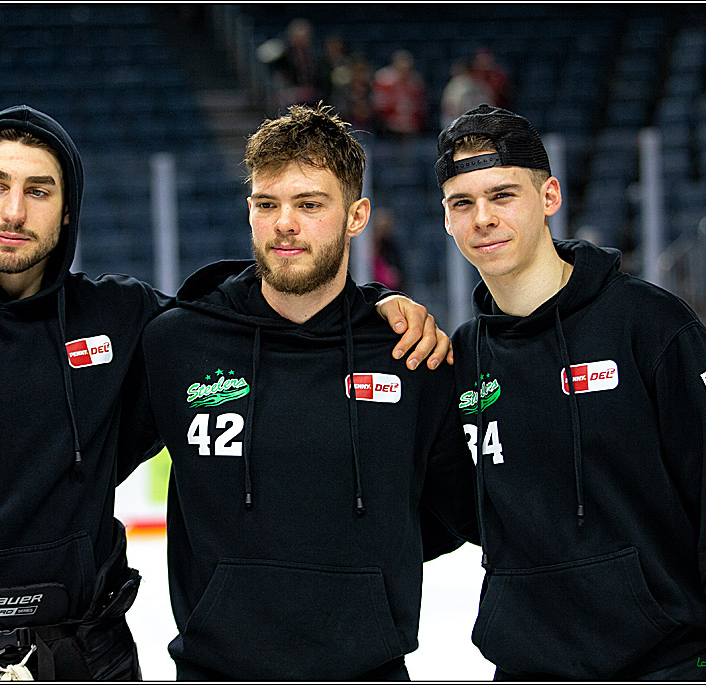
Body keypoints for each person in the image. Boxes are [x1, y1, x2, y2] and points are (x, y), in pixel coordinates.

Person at [0, 104, 452, 680]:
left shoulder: (124, 320)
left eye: (38, 190)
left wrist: (373, 309)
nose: (14, 210)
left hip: (85, 652)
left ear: (68, 205)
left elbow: (262, 314)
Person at [140, 104, 479, 680]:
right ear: (249, 212)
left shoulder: (408, 353)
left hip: (367, 668)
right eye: (267, 204)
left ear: (356, 215)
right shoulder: (177, 343)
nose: (285, 223)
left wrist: (359, 576)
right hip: (215, 670)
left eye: (309, 204)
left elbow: (454, 513)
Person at [437, 104, 706, 680]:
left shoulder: (652, 326)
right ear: (446, 219)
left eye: (503, 195)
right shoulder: (463, 358)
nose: (483, 218)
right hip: (527, 670)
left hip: (669, 668)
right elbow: (457, 512)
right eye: (462, 203)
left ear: (549, 197)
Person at [372, 49, 428, 137]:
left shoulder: (415, 81)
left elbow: (420, 105)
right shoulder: (384, 80)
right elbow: (379, 104)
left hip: (409, 127)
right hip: (389, 126)